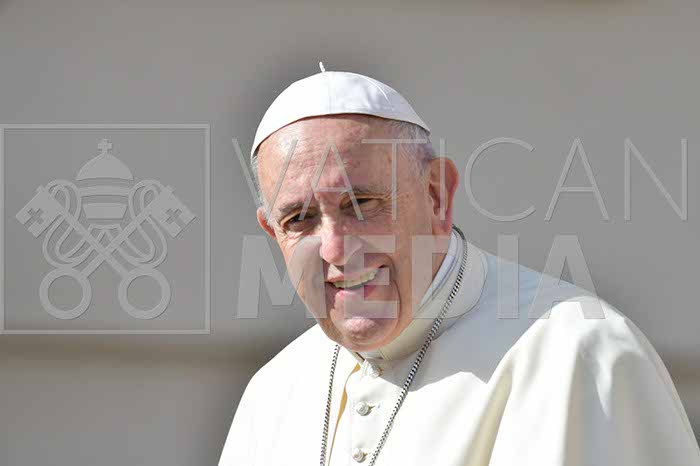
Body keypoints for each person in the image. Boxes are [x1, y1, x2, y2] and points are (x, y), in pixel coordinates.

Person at [219, 66, 700, 466]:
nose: (335, 249)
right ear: (273, 234)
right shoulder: (272, 393)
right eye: (300, 220)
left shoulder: (579, 354)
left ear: (436, 196)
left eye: (361, 204)